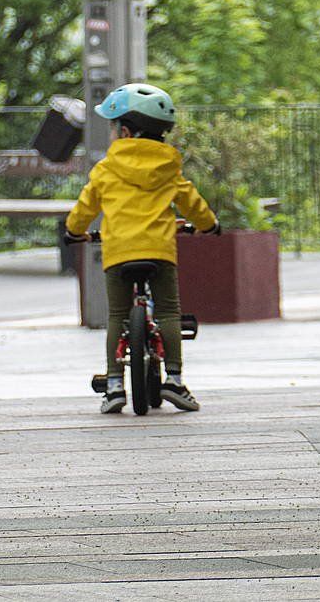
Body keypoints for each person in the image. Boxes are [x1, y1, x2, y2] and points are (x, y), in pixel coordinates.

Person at [65, 83, 220, 414]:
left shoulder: (107, 168)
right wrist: (209, 225)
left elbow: (85, 206)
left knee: (117, 316)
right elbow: (192, 202)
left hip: (118, 252)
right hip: (159, 251)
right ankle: (175, 380)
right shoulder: (169, 167)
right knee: (167, 312)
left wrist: (73, 230)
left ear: (123, 131)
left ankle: (114, 386)